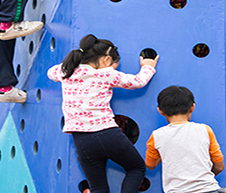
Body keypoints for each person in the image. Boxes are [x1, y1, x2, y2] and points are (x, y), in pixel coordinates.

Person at [48, 34, 159, 193]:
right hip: (107, 134)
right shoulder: (106, 74)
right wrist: (148, 67)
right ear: (107, 60)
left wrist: (72, 64)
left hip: (81, 141)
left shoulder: (67, 71)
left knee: (98, 188)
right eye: (114, 65)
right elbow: (137, 82)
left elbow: (51, 73)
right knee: (136, 168)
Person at [145, 86, 226, 193]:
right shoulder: (205, 130)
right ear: (192, 107)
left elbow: (150, 165)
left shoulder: (157, 136)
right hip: (209, 189)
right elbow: (219, 166)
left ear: (160, 111)